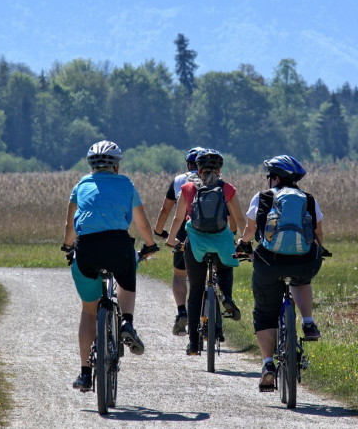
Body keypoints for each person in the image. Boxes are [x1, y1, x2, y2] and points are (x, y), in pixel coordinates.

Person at [63, 140, 159, 391]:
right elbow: (144, 225)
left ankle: (85, 373)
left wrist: (67, 246)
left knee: (88, 311)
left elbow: (69, 227)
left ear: (91, 166)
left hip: (87, 249)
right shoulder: (126, 185)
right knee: (127, 276)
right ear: (116, 165)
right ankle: (127, 322)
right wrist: (150, 245)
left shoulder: (80, 185)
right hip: (118, 246)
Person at [235, 155, 325, 390]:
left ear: (276, 177)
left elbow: (250, 229)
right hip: (304, 262)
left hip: (269, 263)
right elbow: (318, 234)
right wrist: (315, 253)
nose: (267, 180)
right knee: (301, 279)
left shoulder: (263, 197)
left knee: (264, 312)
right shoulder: (308, 199)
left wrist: (243, 244)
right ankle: (308, 322)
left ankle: (267, 365)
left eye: (269, 176)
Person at [166, 149, 246, 355]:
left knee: (195, 293)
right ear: (219, 170)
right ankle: (226, 296)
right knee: (226, 267)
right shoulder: (227, 188)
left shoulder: (187, 187)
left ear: (197, 169)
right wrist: (240, 239)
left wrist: (171, 238)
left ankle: (193, 343)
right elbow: (239, 220)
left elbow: (177, 219)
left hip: (196, 244)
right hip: (221, 242)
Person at [153, 147, 204, 336]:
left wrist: (159, 231)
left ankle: (182, 310)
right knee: (210, 272)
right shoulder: (216, 180)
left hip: (184, 232)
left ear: (188, 164)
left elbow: (165, 210)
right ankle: (212, 313)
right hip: (211, 234)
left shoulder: (179, 181)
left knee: (179, 274)